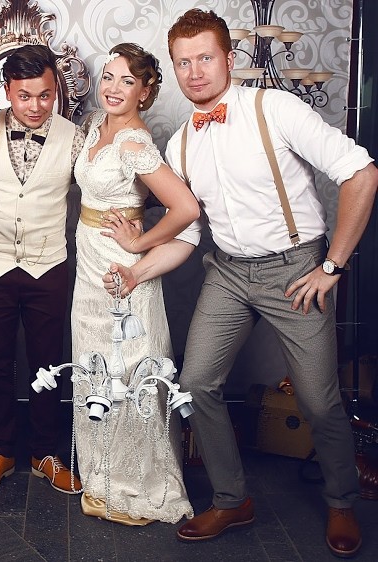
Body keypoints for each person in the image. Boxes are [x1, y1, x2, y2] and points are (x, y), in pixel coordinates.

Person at [103, 9, 378, 556]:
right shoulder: (182, 143)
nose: (195, 72)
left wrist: (332, 267)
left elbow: (361, 172)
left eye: (205, 58)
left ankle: (341, 502)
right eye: (184, 62)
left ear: (229, 59)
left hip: (296, 269)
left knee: (319, 399)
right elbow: (188, 234)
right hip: (228, 270)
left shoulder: (274, 108)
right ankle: (231, 500)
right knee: (197, 382)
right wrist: (136, 265)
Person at [69, 42, 199, 525]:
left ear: (145, 92)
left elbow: (186, 209)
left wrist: (140, 242)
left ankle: (137, 487)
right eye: (108, 77)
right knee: (95, 367)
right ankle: (101, 478)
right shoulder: (95, 126)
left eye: (127, 81)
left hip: (120, 268)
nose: (113, 88)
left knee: (126, 368)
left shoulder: (134, 143)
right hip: (88, 264)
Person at [0, 44, 86, 496]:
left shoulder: (74, 137)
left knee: (48, 363)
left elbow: (102, 188)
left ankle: (44, 453)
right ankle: (0, 450)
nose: (35, 106)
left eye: (45, 95)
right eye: (24, 96)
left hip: (48, 265)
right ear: (7, 91)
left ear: (56, 90)